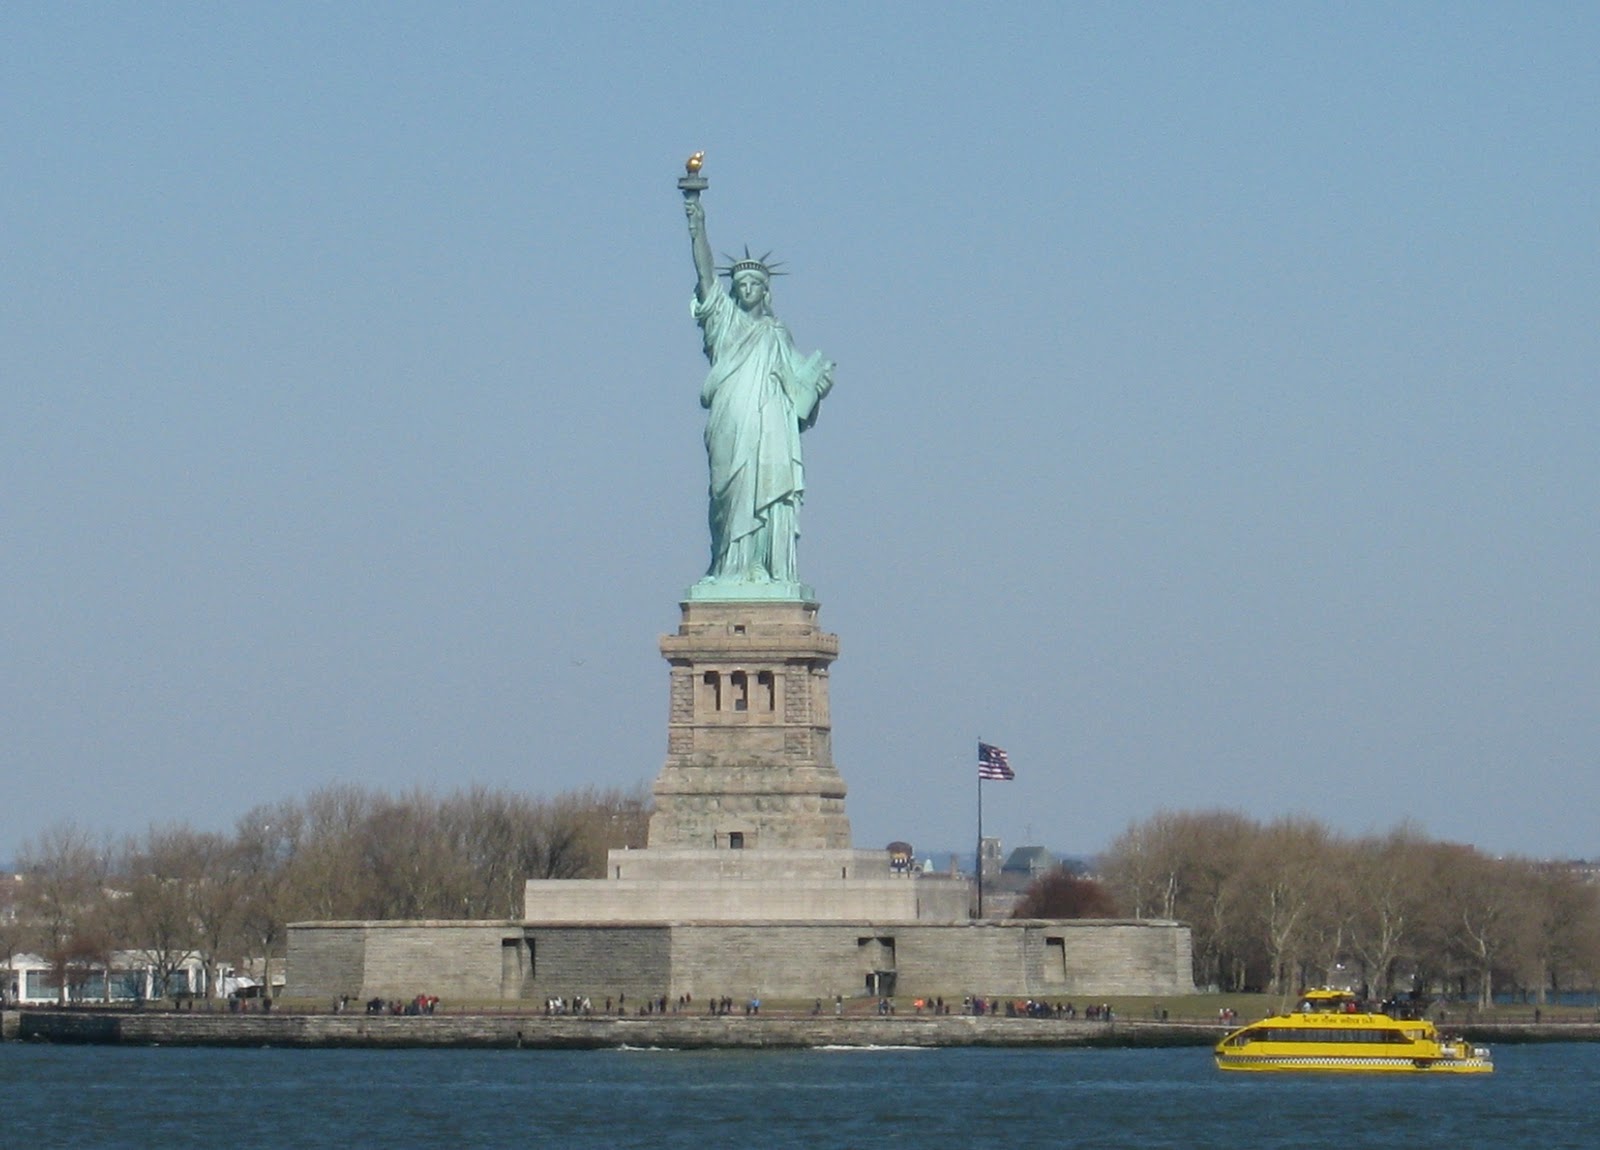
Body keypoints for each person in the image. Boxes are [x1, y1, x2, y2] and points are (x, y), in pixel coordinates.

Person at [684, 193, 834, 588]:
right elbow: (704, 276)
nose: (747, 288)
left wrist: (818, 385)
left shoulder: (776, 333)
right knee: (727, 494)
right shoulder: (724, 323)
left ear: (766, 291)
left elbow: (799, 390)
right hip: (730, 420)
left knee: (765, 490)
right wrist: (696, 225)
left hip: (769, 429)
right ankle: (727, 566)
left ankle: (760, 566)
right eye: (741, 283)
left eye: (755, 283)